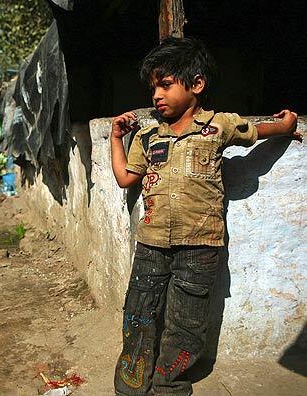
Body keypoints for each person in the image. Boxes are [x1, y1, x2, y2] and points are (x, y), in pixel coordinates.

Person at [110, 37, 300, 396]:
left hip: (201, 246)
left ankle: (169, 385)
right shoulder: (147, 133)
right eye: (153, 87)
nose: (156, 96)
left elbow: (257, 132)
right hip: (150, 243)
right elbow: (125, 178)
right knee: (139, 315)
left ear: (196, 85)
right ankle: (131, 387)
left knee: (186, 323)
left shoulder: (220, 126)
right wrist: (115, 139)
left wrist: (287, 125)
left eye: (165, 85)